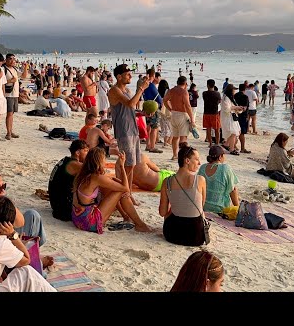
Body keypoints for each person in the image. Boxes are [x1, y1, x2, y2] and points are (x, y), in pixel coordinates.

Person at [71, 148, 152, 233]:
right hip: (88, 223)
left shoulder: (84, 174)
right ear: (99, 161)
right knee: (120, 191)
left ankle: (126, 216)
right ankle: (140, 224)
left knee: (112, 189)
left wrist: (119, 183)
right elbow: (125, 188)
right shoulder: (97, 177)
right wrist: (122, 166)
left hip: (77, 218)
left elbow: (113, 182)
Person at [108, 64, 150, 199]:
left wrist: (142, 113)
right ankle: (121, 193)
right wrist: (141, 89)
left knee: (131, 165)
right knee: (127, 165)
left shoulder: (127, 91)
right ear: (119, 77)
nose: (130, 76)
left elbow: (131, 109)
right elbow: (131, 104)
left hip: (133, 129)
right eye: (127, 74)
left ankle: (128, 193)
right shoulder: (114, 90)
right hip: (124, 131)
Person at [159, 143, 208, 246]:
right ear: (187, 161)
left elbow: (162, 212)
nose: (199, 163)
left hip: (171, 235)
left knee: (172, 212)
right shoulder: (200, 180)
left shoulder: (166, 182)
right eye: (197, 159)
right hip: (196, 237)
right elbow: (201, 206)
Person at [48, 140, 89, 221]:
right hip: (63, 209)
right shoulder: (75, 165)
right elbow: (96, 175)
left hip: (55, 203)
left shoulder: (65, 160)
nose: (87, 154)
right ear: (77, 152)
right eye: (85, 151)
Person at [198, 145, 240, 214]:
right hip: (219, 208)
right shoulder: (225, 168)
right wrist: (237, 207)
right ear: (220, 157)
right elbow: (233, 190)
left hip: (204, 206)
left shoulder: (203, 167)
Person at [2, 53, 20, 140]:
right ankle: (8, 133)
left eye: (14, 59)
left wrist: (26, 67)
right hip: (8, 94)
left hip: (15, 94)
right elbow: (0, 81)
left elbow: (23, 76)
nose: (13, 60)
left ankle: (10, 130)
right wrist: (10, 80)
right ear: (6, 60)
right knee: (9, 113)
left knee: (12, 113)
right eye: (10, 59)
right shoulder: (3, 69)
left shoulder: (14, 69)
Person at [202, 79, 221, 147]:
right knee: (217, 129)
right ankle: (217, 143)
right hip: (214, 112)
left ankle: (210, 143)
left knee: (208, 128)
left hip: (206, 112)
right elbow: (219, 101)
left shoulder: (204, 93)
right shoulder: (217, 93)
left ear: (207, 85)